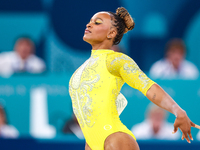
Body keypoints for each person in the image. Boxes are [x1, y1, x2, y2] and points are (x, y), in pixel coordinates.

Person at [69, 7, 197, 150]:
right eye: (90, 21)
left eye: (97, 22)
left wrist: (178, 110)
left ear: (111, 33)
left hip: (115, 138)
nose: (89, 24)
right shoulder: (81, 68)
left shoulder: (115, 60)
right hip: (91, 143)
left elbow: (148, 87)